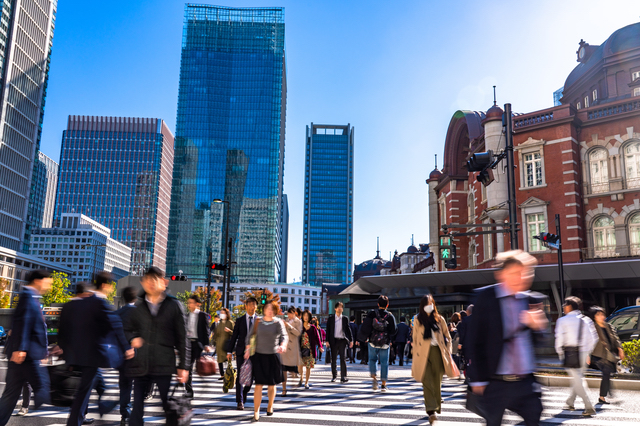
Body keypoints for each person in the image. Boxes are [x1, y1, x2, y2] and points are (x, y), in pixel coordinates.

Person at [467, 250, 549, 426]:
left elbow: (539, 341)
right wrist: (477, 379)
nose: (521, 277)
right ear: (501, 274)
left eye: (525, 272)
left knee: (534, 415)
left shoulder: (532, 299)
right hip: (495, 381)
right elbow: (474, 340)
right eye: (515, 273)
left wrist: (538, 327)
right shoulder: (486, 298)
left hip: (525, 381)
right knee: (493, 422)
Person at [57, 271, 134, 426]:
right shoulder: (99, 303)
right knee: (83, 393)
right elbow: (116, 326)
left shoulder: (76, 303)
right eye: (111, 286)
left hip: (76, 355)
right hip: (91, 356)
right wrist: (126, 348)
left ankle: (99, 408)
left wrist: (63, 348)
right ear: (105, 285)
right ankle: (100, 409)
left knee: (87, 390)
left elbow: (64, 327)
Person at [125, 267, 189, 426]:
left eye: (155, 279)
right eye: (147, 279)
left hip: (164, 364)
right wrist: (133, 338)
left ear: (163, 282)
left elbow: (183, 338)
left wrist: (183, 366)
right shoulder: (139, 307)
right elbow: (126, 328)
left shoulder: (174, 305)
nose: (151, 283)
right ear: (143, 282)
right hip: (141, 364)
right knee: (137, 408)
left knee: (168, 406)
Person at [0, 270, 52, 425]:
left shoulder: (31, 297)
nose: (49, 285)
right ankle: (73, 406)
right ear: (38, 281)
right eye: (47, 282)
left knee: (10, 395)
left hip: (25, 355)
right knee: (43, 388)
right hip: (26, 355)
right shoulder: (28, 297)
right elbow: (24, 323)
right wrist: (20, 348)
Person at [412, 295, 458, 424]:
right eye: (427, 304)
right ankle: (431, 411)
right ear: (422, 306)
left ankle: (436, 406)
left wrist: (448, 351)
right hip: (422, 353)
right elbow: (415, 339)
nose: (429, 306)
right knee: (426, 381)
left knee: (437, 381)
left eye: (431, 303)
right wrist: (414, 354)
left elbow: (447, 336)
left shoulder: (440, 319)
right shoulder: (417, 319)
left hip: (438, 351)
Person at [554, 296, 598, 416]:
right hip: (584, 353)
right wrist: (588, 352)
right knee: (577, 378)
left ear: (568, 307)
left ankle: (589, 406)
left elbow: (559, 340)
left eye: (564, 305)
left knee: (578, 379)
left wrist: (560, 353)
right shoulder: (586, 320)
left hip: (570, 353)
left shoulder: (562, 321)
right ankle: (570, 402)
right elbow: (594, 338)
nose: (563, 307)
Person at [245, 301, 288, 422]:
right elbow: (249, 336)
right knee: (258, 384)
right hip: (258, 356)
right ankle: (256, 410)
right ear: (264, 309)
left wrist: (283, 345)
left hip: (273, 356)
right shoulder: (257, 321)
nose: (269, 310)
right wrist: (248, 348)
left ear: (275, 311)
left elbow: (284, 335)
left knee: (271, 384)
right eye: (267, 308)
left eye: (272, 309)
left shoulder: (278, 322)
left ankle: (270, 405)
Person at [358, 295, 397, 392]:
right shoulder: (390, 316)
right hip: (385, 343)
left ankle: (374, 378)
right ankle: (383, 385)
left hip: (372, 341)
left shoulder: (372, 314)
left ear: (378, 304)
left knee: (372, 359)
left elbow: (365, 326)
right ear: (387, 305)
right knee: (384, 362)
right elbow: (394, 331)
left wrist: (364, 337)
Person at [227, 297, 259, 410]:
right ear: (246, 306)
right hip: (241, 351)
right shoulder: (240, 320)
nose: (252, 307)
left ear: (256, 307)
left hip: (255, 353)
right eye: (249, 304)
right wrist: (229, 351)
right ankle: (239, 401)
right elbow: (234, 336)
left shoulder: (259, 321)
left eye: (254, 304)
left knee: (252, 378)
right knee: (241, 376)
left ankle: (245, 392)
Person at [589, 305, 625, 404]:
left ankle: (606, 395)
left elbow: (615, 338)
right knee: (606, 372)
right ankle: (603, 396)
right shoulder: (593, 328)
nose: (601, 316)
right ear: (594, 317)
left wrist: (620, 349)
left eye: (602, 314)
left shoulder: (608, 326)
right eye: (598, 314)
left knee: (608, 373)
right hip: (597, 355)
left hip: (609, 354)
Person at [116, 286, 138, 426]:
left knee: (125, 385)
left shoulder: (118, 313)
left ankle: (125, 413)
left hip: (121, 355)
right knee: (139, 385)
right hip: (137, 355)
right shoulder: (139, 313)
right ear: (135, 298)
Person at [186, 295, 213, 396]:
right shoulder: (186, 315)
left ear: (197, 304)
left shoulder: (202, 315)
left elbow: (206, 331)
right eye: (188, 303)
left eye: (191, 302)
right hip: (188, 344)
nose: (189, 305)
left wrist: (206, 344)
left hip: (198, 344)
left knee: (199, 366)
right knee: (188, 367)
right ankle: (189, 390)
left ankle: (202, 382)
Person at [326, 302, 353, 383]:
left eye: (341, 307)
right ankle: (334, 376)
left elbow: (348, 330)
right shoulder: (331, 318)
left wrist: (351, 340)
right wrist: (327, 341)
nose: (339, 308)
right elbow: (328, 330)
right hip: (333, 341)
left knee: (343, 359)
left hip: (342, 341)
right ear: (335, 309)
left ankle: (343, 376)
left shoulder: (345, 319)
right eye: (338, 307)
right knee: (333, 359)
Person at [281, 307, 302, 395]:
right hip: (285, 347)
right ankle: (284, 389)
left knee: (292, 369)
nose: (289, 315)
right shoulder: (285, 320)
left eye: (291, 313)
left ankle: (294, 381)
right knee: (283, 369)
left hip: (293, 347)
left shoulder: (298, 322)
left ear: (294, 313)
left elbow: (298, 333)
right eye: (288, 313)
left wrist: (288, 326)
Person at [300, 310, 322, 389]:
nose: (305, 317)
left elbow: (317, 337)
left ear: (309, 317)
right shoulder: (300, 326)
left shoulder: (313, 327)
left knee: (308, 367)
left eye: (307, 316)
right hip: (300, 350)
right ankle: (301, 377)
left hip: (310, 350)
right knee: (300, 366)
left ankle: (306, 382)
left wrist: (320, 346)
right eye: (304, 315)